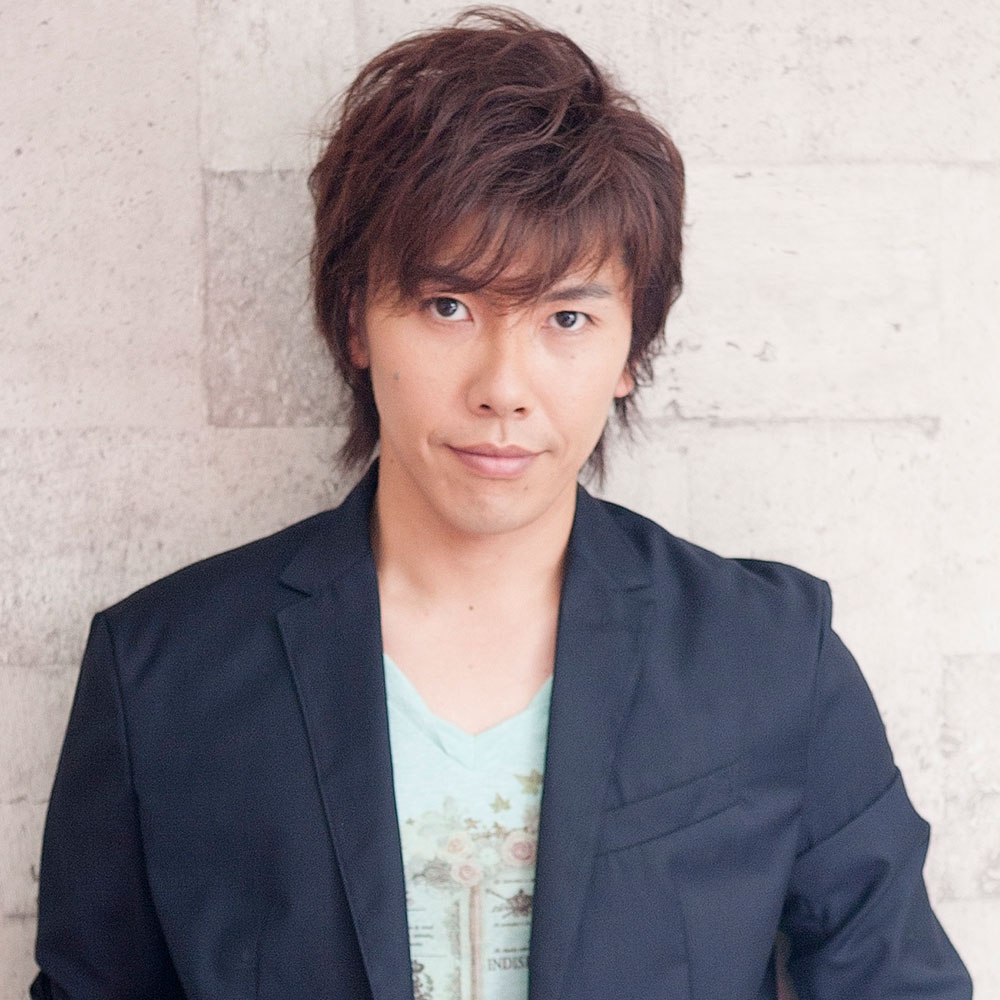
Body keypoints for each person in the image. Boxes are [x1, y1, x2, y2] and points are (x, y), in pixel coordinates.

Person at [31, 8, 972, 1000]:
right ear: (356, 321)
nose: (503, 387)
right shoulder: (163, 672)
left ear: (632, 348)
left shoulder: (768, 654)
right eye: (449, 307)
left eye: (566, 316)